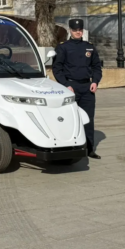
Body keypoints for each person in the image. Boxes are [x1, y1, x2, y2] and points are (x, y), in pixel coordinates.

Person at [52, 18, 102, 159]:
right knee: (69, 119)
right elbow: (57, 69)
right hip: (70, 87)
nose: (78, 32)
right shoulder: (63, 47)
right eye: (75, 30)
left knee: (88, 119)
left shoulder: (89, 47)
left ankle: (89, 149)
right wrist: (66, 85)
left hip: (87, 87)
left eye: (80, 30)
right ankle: (69, 148)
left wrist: (95, 82)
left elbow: (96, 67)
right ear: (70, 31)